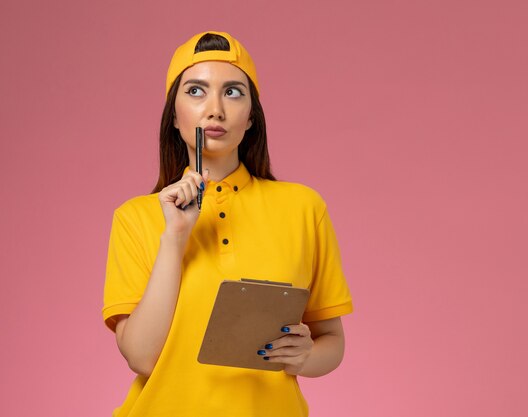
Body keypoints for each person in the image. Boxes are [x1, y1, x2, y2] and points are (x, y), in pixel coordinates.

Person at [102, 31, 353, 416]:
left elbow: (331, 341)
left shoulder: (303, 207)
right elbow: (141, 358)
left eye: (233, 92)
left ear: (251, 117)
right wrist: (174, 237)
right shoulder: (135, 217)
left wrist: (304, 356)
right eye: (196, 91)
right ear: (174, 114)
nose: (215, 109)